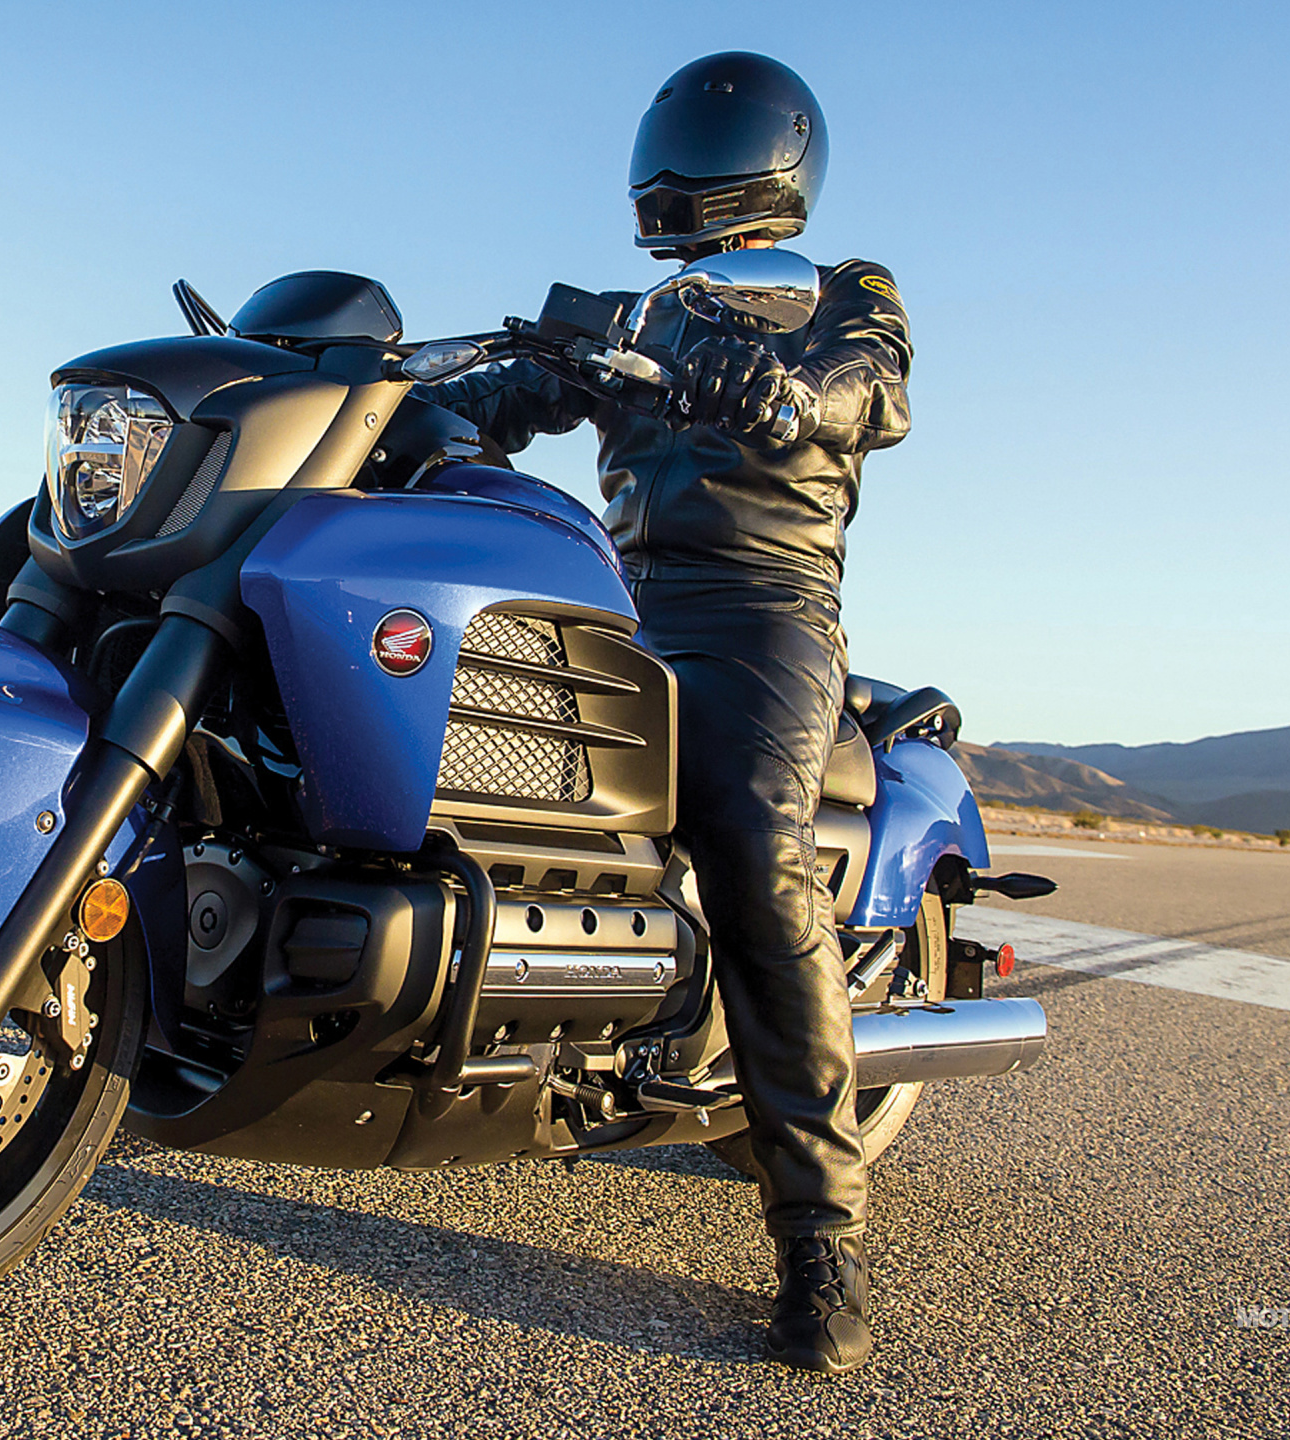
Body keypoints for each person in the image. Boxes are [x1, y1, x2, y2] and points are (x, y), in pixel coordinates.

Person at [424, 51, 911, 1374]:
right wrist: (416, 405)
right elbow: (506, 399)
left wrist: (795, 394)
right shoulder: (637, 315)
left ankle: (819, 1232)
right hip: (621, 598)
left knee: (751, 842)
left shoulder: (845, 290)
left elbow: (869, 383)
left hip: (764, 607)